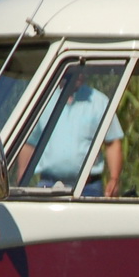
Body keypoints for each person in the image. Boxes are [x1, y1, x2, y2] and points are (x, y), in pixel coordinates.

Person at [15, 64, 124, 197]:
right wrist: (21, 183)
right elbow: (29, 144)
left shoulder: (99, 102)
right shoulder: (43, 100)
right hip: (48, 186)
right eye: (75, 70)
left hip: (89, 188)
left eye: (82, 70)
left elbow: (112, 143)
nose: (79, 74)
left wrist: (114, 179)